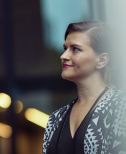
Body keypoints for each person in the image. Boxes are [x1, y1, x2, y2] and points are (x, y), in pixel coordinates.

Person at [42, 21, 126, 154]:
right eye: (65, 49)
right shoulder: (55, 119)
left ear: (102, 60)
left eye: (75, 49)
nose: (63, 56)